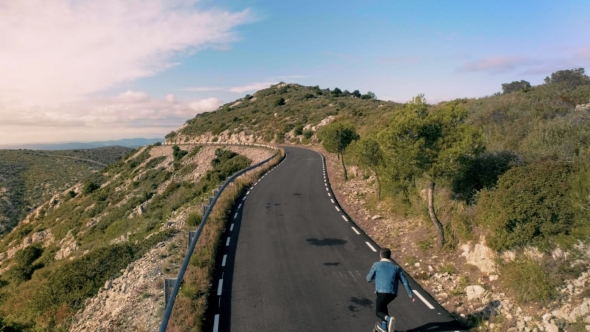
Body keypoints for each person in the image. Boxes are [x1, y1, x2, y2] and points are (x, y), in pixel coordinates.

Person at [366, 248, 414, 332]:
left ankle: (389, 319)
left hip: (381, 292)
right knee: (384, 306)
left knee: (379, 312)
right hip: (392, 294)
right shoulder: (396, 267)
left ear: (380, 255)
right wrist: (411, 295)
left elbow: (368, 279)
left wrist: (375, 276)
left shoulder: (376, 265)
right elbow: (405, 282)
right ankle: (384, 327)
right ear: (389, 256)